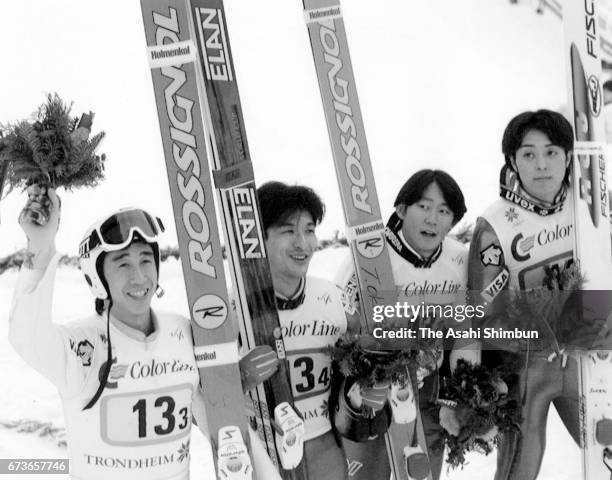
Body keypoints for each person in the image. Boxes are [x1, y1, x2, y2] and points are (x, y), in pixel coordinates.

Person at [9, 187, 280, 480]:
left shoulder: (182, 332)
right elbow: (26, 336)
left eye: (146, 261)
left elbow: (214, 417)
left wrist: (228, 384)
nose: (139, 277)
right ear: (98, 278)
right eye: (123, 264)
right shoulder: (81, 344)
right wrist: (39, 247)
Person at [336, 169, 480, 480]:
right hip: (371, 391)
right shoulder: (369, 256)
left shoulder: (458, 260)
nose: (433, 219)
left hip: (429, 389)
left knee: (421, 473)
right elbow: (338, 325)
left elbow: (465, 333)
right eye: (424, 207)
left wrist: (464, 393)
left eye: (444, 211)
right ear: (401, 210)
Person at [467, 109, 582, 480]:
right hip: (528, 369)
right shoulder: (495, 224)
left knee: (605, 450)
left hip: (587, 357)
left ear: (568, 156)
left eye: (551, 152)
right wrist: (538, 336)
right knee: (519, 469)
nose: (542, 165)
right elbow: (482, 316)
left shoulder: (590, 206)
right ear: (513, 162)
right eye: (528, 154)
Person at [256, 181, 359, 480]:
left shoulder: (332, 298)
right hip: (264, 455)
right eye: (288, 231)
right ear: (260, 238)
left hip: (323, 446)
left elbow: (368, 357)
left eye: (309, 230)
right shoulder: (234, 307)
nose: (302, 243)